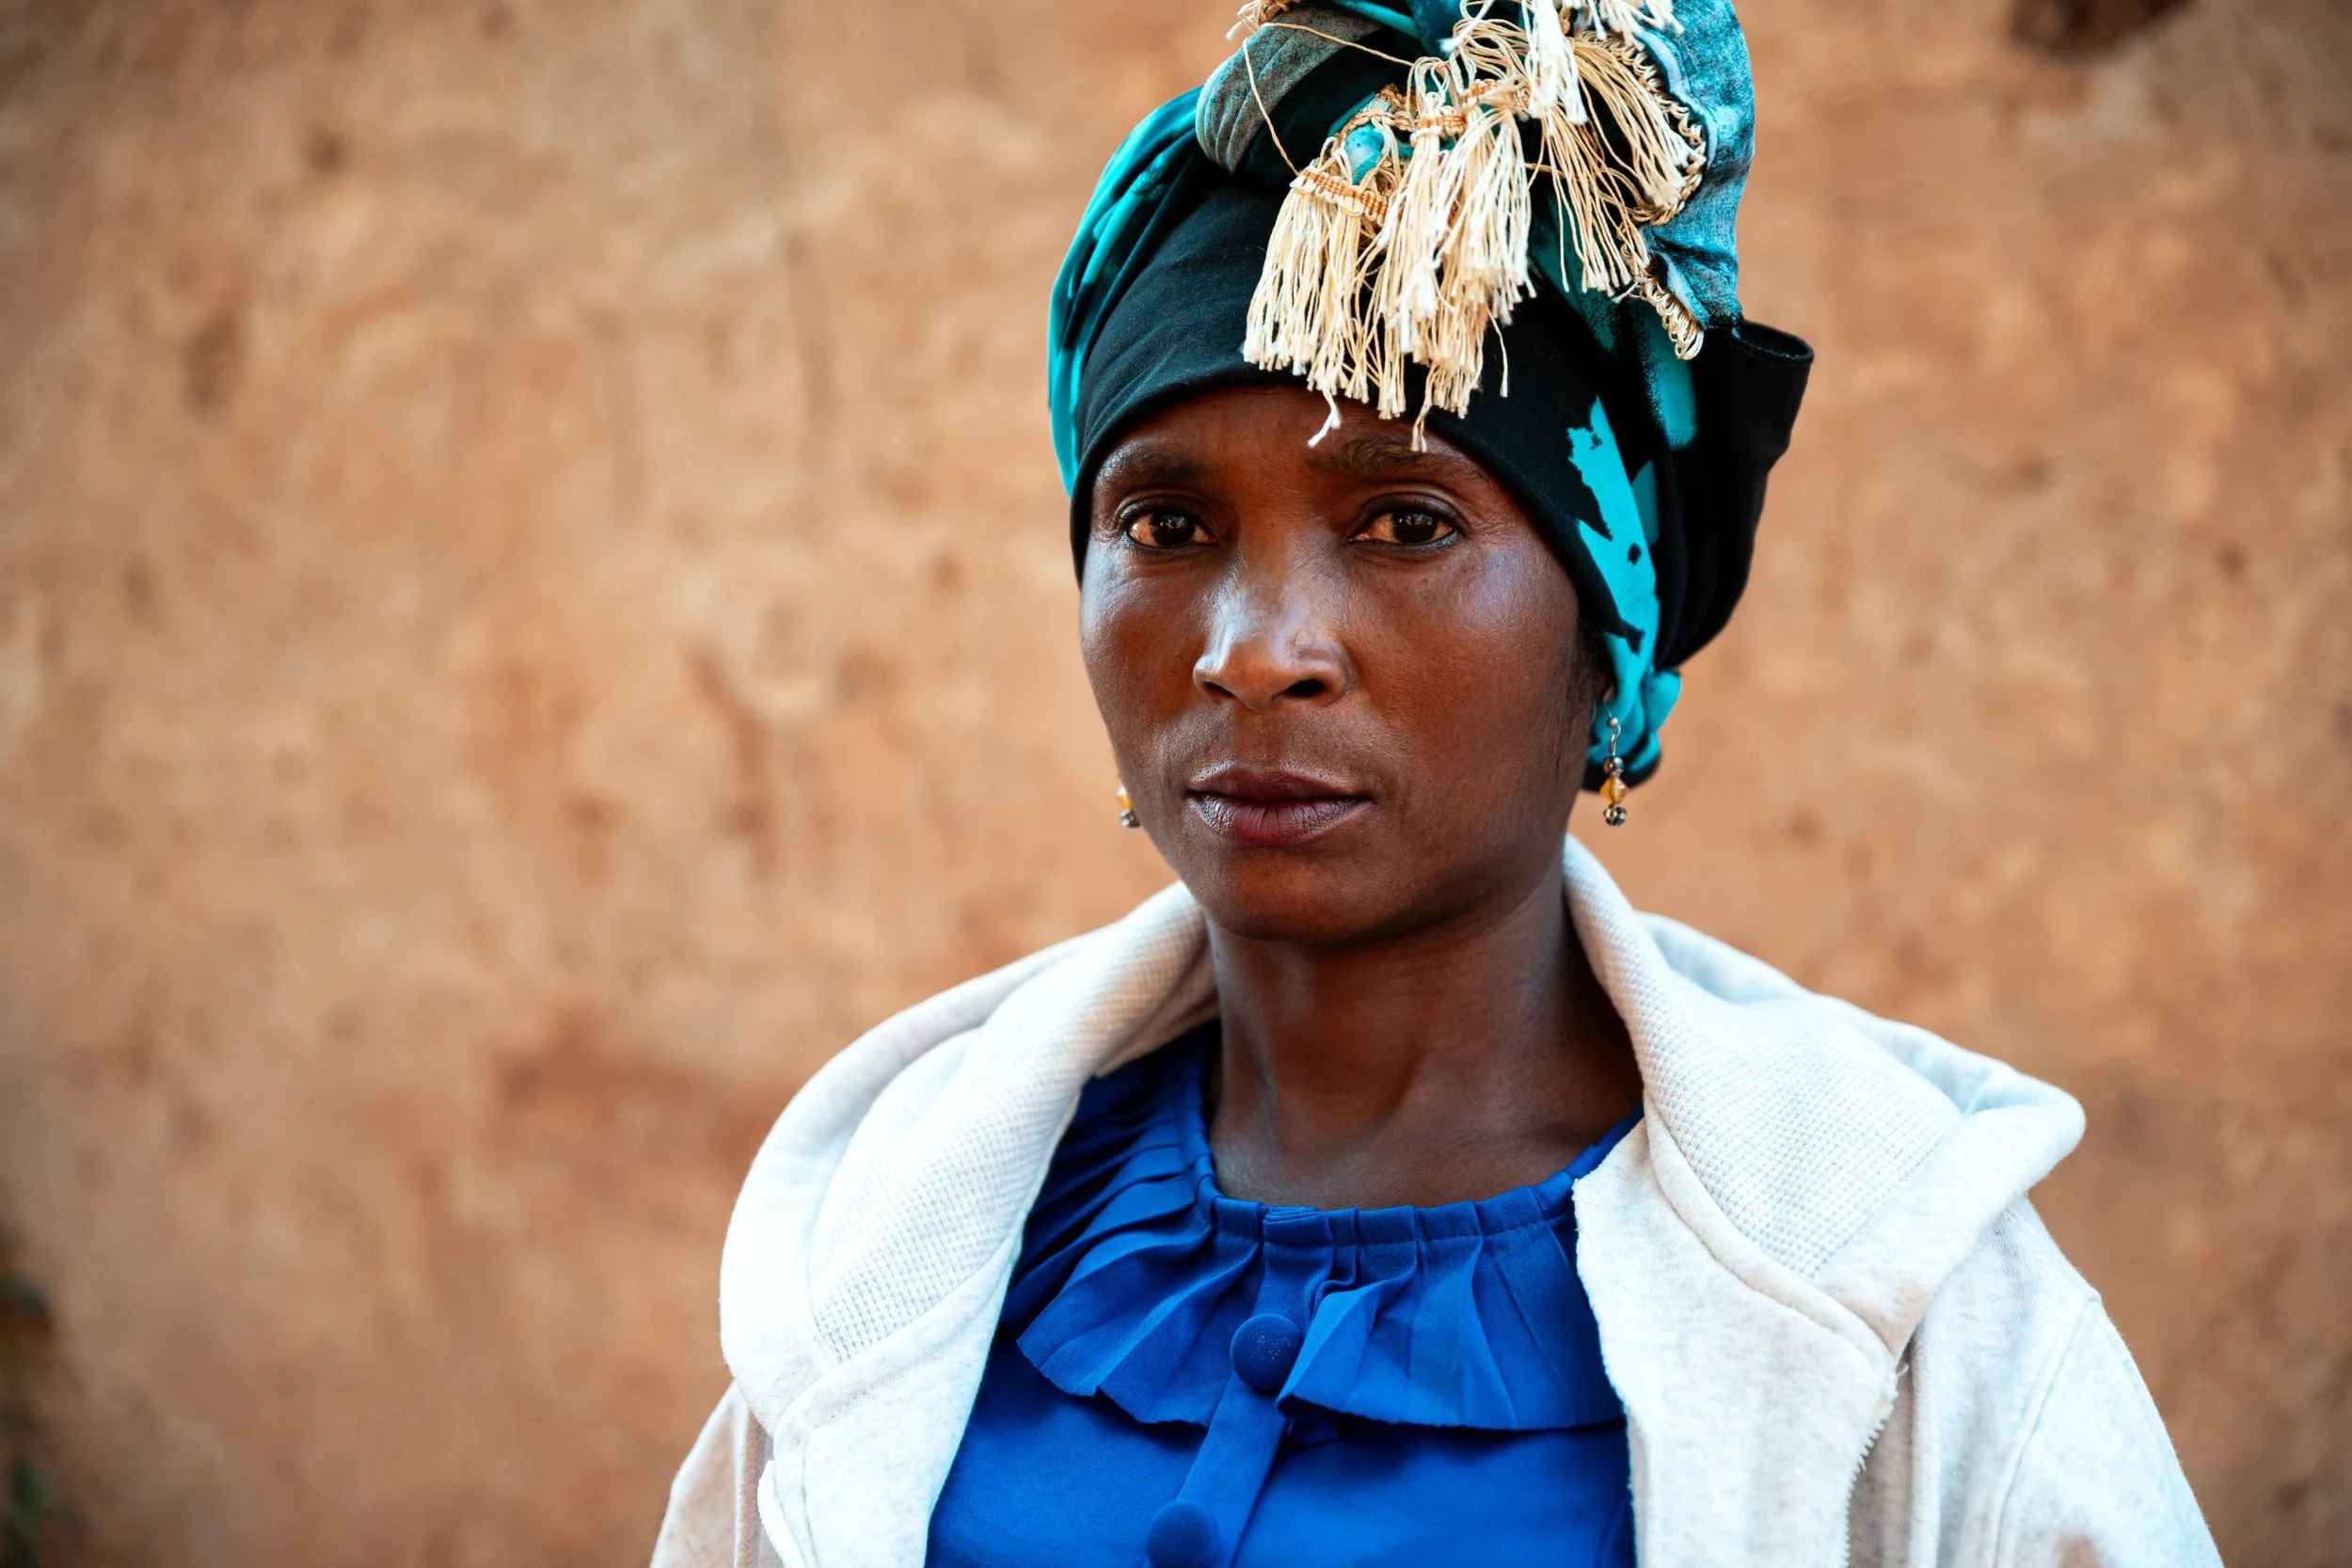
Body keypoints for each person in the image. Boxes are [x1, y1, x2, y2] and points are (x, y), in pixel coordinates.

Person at [652, 2, 2219, 1563]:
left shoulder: (1898, 1301)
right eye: (1165, 526)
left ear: (1607, 632)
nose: (1254, 653)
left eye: (1406, 521)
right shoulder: (896, 1239)